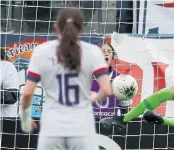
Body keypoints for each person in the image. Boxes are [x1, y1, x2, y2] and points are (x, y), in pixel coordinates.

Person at [19, 8, 112, 150]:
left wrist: (25, 118)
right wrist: (92, 97)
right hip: (82, 130)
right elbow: (106, 90)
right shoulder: (93, 51)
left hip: (52, 130)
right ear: (82, 30)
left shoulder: (42, 52)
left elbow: (27, 93)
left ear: (56, 27)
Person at [91, 42, 131, 119]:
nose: (106, 53)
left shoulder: (120, 79)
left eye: (109, 52)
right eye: (103, 51)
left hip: (111, 126)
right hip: (89, 124)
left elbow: (125, 108)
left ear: (112, 56)